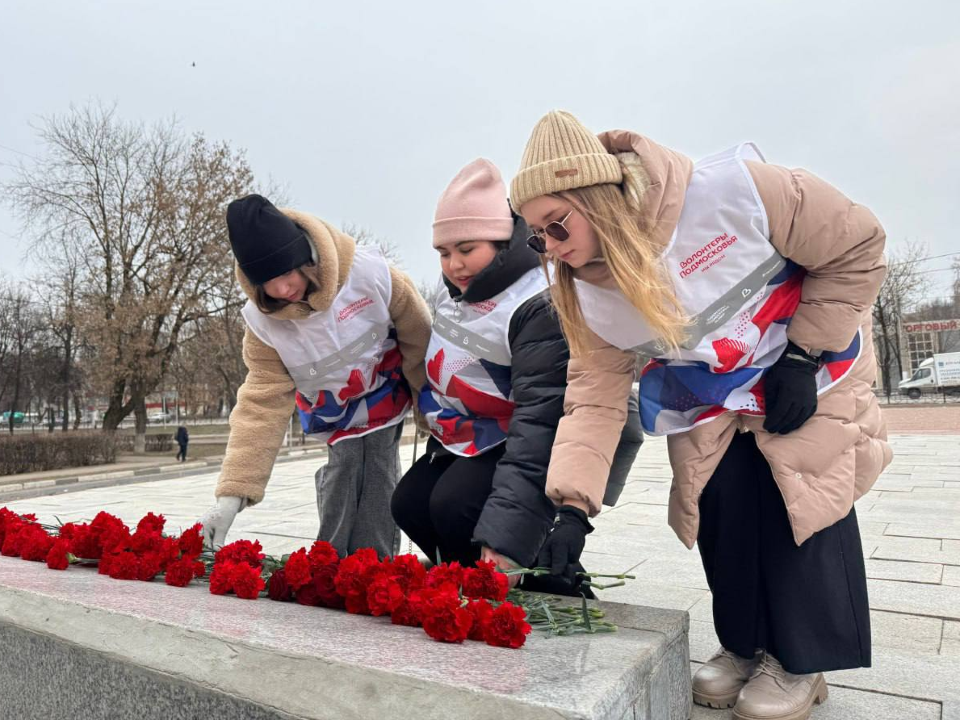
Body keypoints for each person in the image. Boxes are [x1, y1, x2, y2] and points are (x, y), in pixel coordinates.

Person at [509, 111, 892, 720]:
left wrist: (802, 353)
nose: (551, 249)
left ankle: (800, 660)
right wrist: (572, 507)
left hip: (806, 360)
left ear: (598, 199)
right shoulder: (583, 288)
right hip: (707, 388)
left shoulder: (735, 192)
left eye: (557, 226)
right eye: (536, 237)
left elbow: (858, 242)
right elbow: (594, 396)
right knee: (722, 504)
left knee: (800, 495)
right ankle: (744, 645)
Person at [391, 159, 643, 596]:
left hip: (535, 434)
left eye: (467, 250)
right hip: (477, 433)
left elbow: (541, 415)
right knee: (409, 503)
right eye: (444, 253)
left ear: (503, 241)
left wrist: (508, 530)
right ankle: (463, 589)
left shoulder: (536, 300)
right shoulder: (456, 294)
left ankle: (540, 586)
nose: (454, 265)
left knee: (454, 505)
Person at [199, 195, 431, 558]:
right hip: (330, 406)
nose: (282, 290)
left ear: (306, 257)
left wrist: (426, 401)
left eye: (287, 272)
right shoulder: (262, 326)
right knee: (345, 469)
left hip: (383, 390)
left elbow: (418, 334)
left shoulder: (370, 274)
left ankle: (376, 563)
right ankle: (332, 562)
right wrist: (232, 495)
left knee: (379, 476)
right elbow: (261, 400)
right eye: (268, 283)